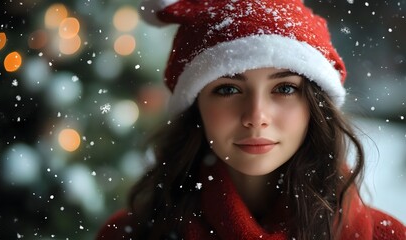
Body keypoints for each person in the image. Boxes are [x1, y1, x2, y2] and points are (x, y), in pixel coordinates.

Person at [97, 0, 406, 239]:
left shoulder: (388, 235)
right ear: (196, 106)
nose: (256, 117)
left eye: (284, 88)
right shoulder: (128, 234)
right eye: (228, 89)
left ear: (316, 105)